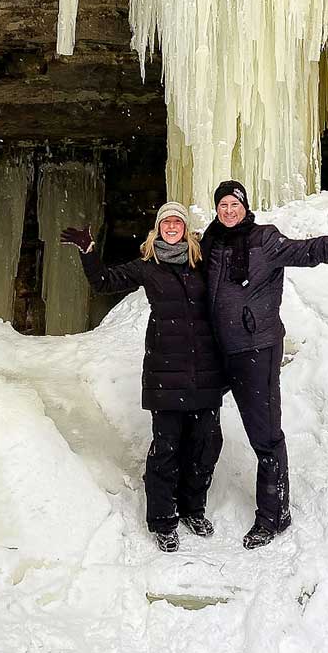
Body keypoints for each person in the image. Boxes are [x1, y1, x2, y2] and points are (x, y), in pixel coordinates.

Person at [201, 181, 328, 549]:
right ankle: (191, 501)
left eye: (234, 204)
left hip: (256, 349)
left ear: (244, 206)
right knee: (198, 420)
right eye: (223, 205)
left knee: (265, 435)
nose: (229, 211)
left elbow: (311, 251)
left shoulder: (265, 240)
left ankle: (274, 515)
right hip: (217, 349)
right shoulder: (211, 242)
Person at [61, 202, 226, 553]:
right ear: (157, 228)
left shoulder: (201, 262)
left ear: (185, 228)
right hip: (165, 371)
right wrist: (88, 252)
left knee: (205, 446)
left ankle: (193, 508)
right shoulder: (147, 267)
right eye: (166, 222)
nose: (171, 227)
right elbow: (104, 282)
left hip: (204, 371)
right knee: (167, 448)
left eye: (177, 222)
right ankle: (163, 520)